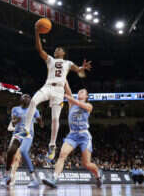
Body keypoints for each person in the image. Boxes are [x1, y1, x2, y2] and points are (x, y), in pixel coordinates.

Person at [23, 21, 92, 160]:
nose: (57, 49)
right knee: (33, 101)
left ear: (64, 53)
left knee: (55, 119)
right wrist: (37, 32)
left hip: (59, 92)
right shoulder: (50, 60)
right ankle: (26, 129)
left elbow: (77, 70)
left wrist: (82, 68)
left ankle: (52, 145)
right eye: (56, 49)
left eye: (60, 48)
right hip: (48, 86)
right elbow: (39, 49)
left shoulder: (68, 63)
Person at [42, 81, 103, 188]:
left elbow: (79, 104)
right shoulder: (72, 103)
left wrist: (70, 98)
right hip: (72, 135)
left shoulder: (89, 105)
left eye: (82, 91)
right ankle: (54, 178)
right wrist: (63, 77)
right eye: (79, 91)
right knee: (62, 155)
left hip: (84, 136)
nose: (80, 92)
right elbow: (67, 88)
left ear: (86, 96)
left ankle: (98, 175)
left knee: (86, 164)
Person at [1, 94, 44, 188]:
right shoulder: (15, 109)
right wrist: (17, 120)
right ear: (21, 100)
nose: (26, 98)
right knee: (10, 151)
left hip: (28, 134)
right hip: (18, 134)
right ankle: (7, 176)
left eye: (28, 97)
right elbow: (13, 122)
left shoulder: (34, 110)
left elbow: (41, 125)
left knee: (23, 151)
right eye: (24, 97)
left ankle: (34, 179)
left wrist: (40, 120)